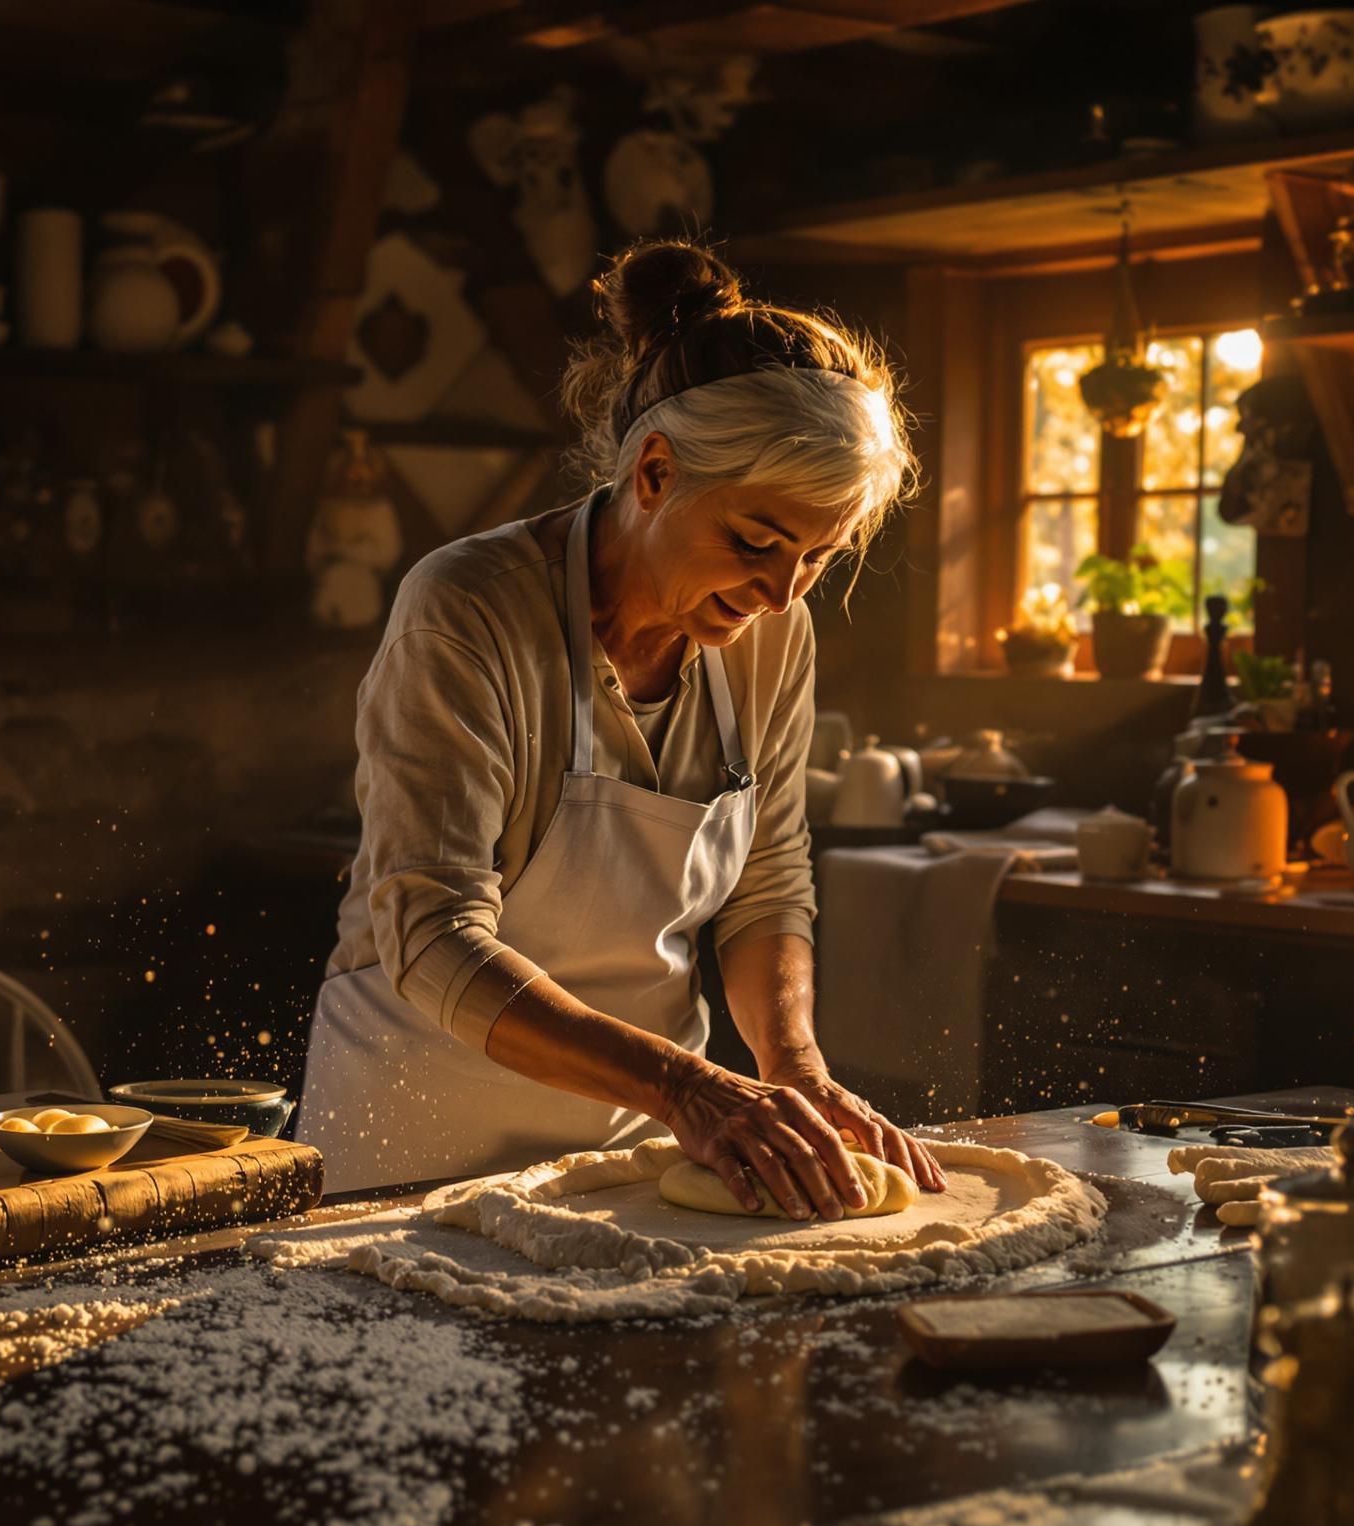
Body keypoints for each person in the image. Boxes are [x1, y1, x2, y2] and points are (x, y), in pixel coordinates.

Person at [297, 240, 944, 1217]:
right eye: (757, 543)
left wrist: (794, 1063)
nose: (780, 594)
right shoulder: (469, 605)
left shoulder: (771, 637)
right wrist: (689, 1082)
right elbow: (430, 935)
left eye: (819, 556)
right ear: (654, 470)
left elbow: (765, 882)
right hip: (411, 1143)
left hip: (635, 1157)